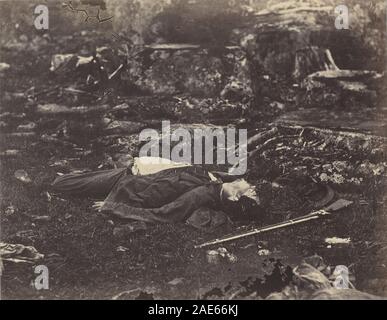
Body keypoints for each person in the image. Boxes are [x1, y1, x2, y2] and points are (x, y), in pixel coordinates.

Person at [52, 157, 260, 231]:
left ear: (234, 197)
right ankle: (67, 174)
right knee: (75, 179)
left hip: (128, 184)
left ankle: (43, 181)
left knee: (61, 183)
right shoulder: (218, 183)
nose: (253, 188)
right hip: (140, 172)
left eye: (251, 193)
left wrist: (113, 207)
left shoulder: (202, 195)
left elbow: (164, 214)